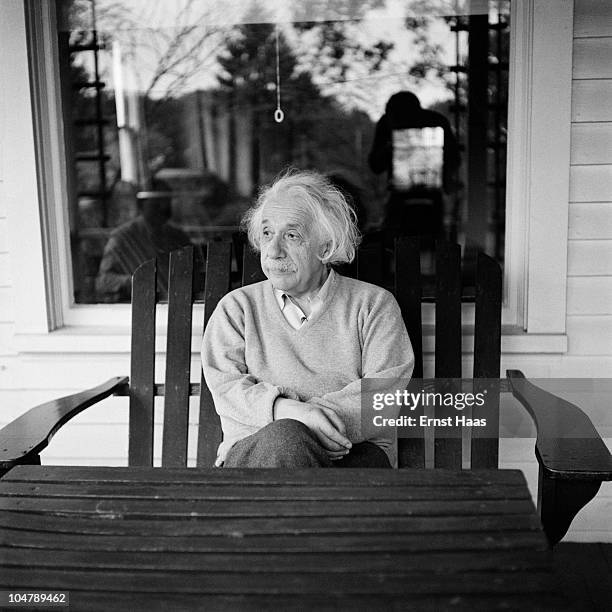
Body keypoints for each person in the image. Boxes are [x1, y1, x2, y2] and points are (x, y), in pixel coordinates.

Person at [201, 169, 414, 468]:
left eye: (291, 235)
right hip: (259, 455)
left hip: (352, 454)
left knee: (288, 439)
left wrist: (308, 422)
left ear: (325, 247)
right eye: (266, 233)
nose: (273, 251)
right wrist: (294, 414)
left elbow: (380, 397)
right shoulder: (237, 309)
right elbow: (228, 391)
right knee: (284, 440)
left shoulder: (374, 306)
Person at [368, 91, 459, 240]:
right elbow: (375, 165)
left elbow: (453, 158)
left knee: (432, 239)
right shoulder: (387, 123)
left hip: (430, 194)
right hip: (401, 195)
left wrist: (447, 178)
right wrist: (391, 148)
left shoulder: (436, 122)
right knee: (395, 237)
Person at [95, 179, 203, 302]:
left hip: (179, 306)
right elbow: (103, 281)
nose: (163, 207)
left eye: (166, 201)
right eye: (156, 202)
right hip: (142, 308)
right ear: (142, 204)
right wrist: (135, 281)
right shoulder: (123, 237)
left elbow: (196, 273)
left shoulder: (178, 236)